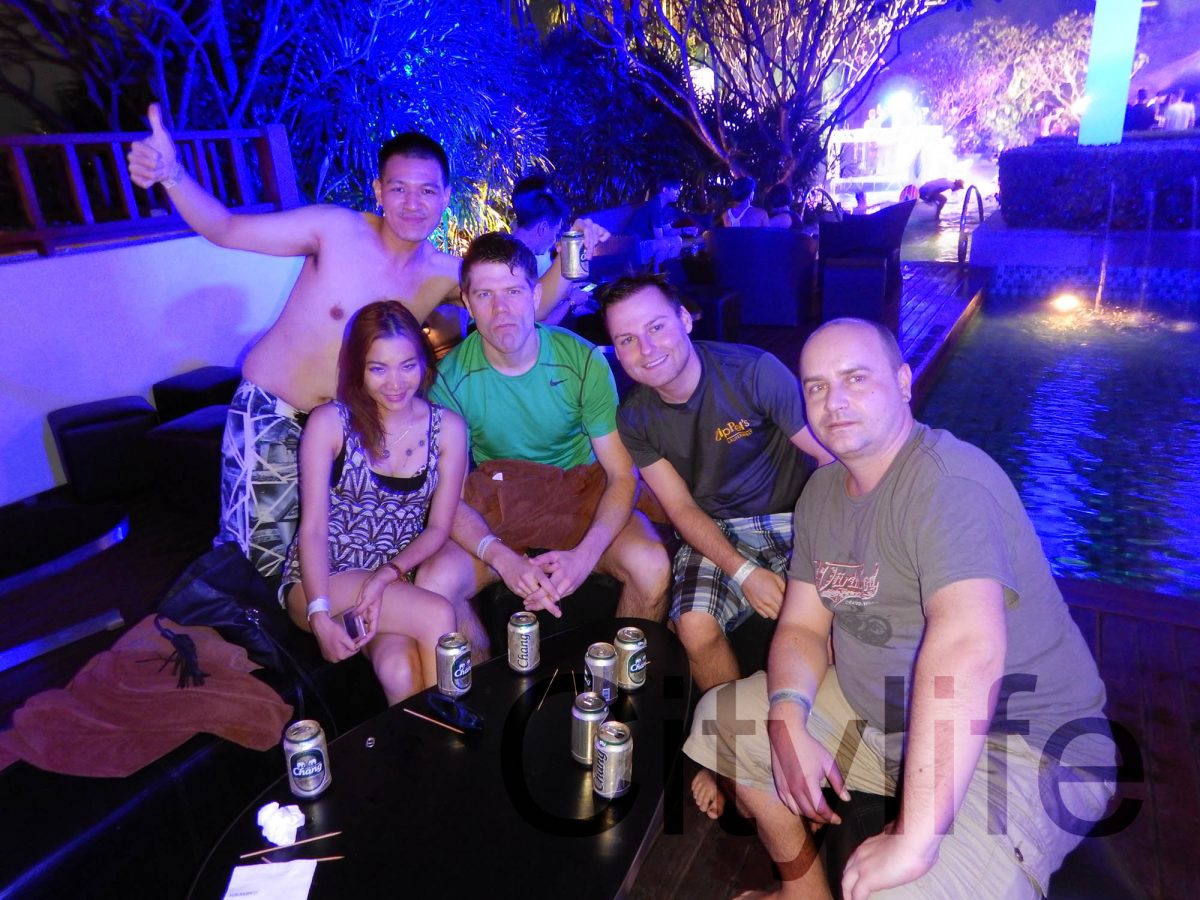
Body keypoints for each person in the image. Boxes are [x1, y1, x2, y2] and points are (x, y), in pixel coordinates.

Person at [684, 318, 1115, 899]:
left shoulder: (949, 483)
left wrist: (915, 838)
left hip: (1022, 743)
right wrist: (786, 716)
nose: (834, 401)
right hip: (886, 721)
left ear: (904, 382)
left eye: (855, 378)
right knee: (723, 719)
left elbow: (967, 646)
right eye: (816, 386)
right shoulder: (823, 493)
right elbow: (803, 627)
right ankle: (803, 894)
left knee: (900, 890)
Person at [127, 104, 603, 579]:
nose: (412, 203)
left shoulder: (442, 273)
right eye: (399, 188)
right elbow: (226, 228)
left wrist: (574, 248)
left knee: (332, 557)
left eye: (427, 191)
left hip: (351, 429)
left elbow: (523, 306)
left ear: (444, 197)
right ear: (379, 191)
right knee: (254, 558)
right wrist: (172, 175)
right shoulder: (335, 230)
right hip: (275, 412)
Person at [420, 234, 671, 655]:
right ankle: (483, 690)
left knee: (651, 565)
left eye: (514, 291)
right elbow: (449, 497)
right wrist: (501, 558)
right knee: (435, 582)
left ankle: (621, 687)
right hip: (502, 499)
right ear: (466, 302)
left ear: (535, 295)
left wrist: (585, 557)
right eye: (485, 294)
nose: (501, 310)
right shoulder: (448, 381)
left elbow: (621, 474)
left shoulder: (582, 361)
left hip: (582, 491)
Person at [281, 301, 468, 705]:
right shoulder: (331, 423)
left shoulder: (448, 430)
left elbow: (438, 527)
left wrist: (386, 574)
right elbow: (312, 529)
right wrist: (319, 615)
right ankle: (458, 735)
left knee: (398, 671)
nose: (395, 383)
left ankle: (419, 745)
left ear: (424, 362)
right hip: (322, 579)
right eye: (378, 368)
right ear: (357, 369)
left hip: (391, 579)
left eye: (407, 365)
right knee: (436, 614)